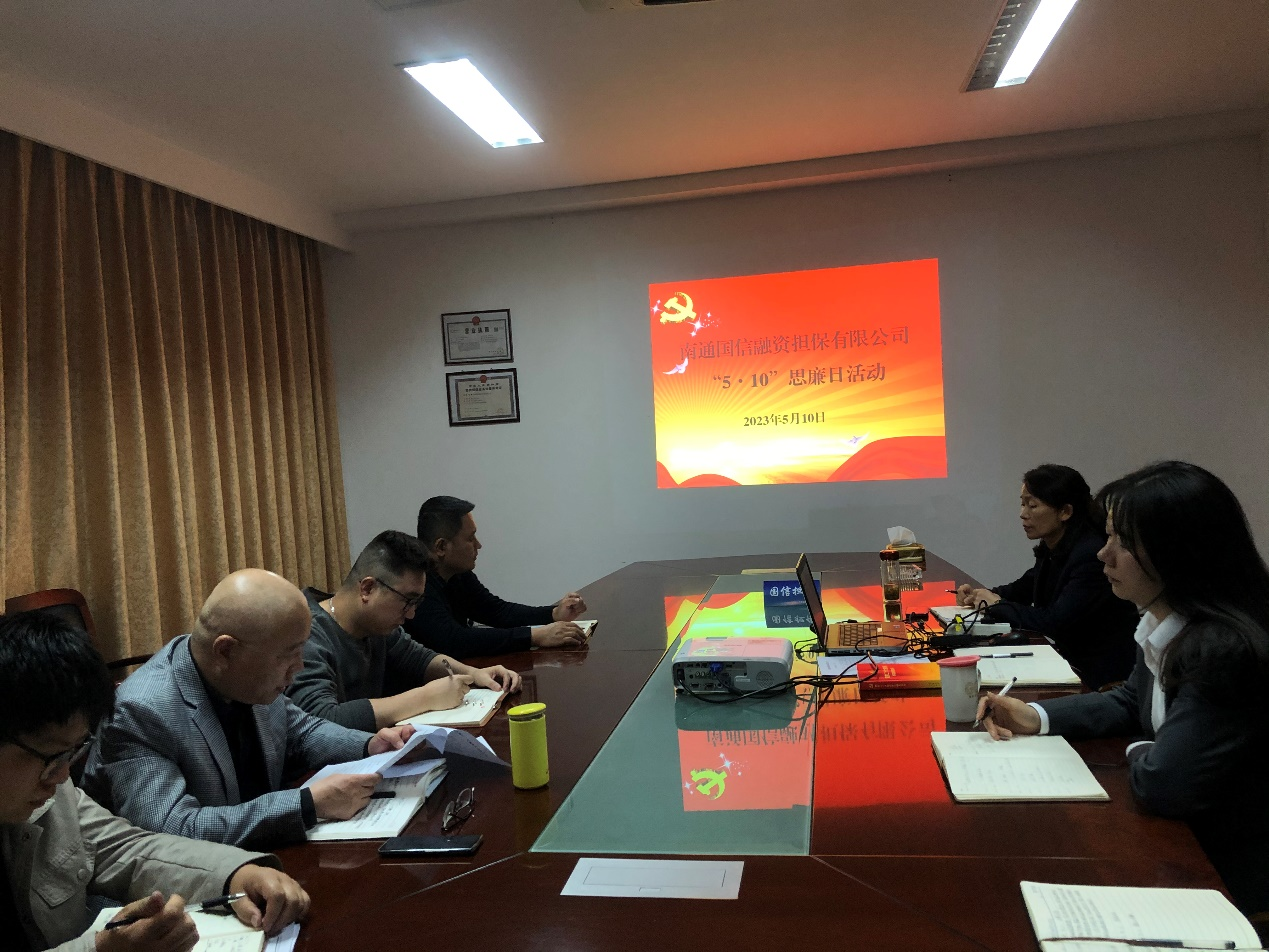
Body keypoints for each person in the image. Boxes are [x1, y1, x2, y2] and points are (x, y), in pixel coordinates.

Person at [979, 461, 1269, 922]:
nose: (1103, 554)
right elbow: (1132, 699)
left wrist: (1140, 747)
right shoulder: (1163, 619)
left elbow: (1164, 783)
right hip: (1180, 844)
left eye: (1122, 541)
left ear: (1178, 551)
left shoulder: (1222, 648)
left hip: (1225, 878)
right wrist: (1037, 716)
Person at [0, 611, 309, 952]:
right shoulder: (146, 703)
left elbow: (125, 848)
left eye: (70, 754)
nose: (62, 776)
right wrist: (100, 950)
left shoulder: (53, 793)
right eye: (50, 758)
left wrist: (235, 875)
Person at [82, 569, 417, 850]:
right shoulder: (141, 710)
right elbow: (172, 831)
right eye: (288, 654)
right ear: (226, 651)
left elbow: (302, 732)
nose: (299, 667)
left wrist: (369, 745)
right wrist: (305, 805)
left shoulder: (244, 676)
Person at [287, 530, 522, 731]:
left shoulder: (376, 625)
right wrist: (426, 697)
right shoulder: (304, 635)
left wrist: (475, 674)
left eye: (416, 603)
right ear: (367, 588)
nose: (410, 615)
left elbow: (418, 658)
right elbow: (322, 718)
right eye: (407, 601)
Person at [956, 463, 1138, 688]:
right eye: (1022, 504)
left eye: (1032, 505)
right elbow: (1024, 586)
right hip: (1071, 663)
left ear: (1065, 512)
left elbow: (1055, 621)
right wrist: (980, 595)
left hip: (1099, 675)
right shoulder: (1055, 545)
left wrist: (996, 604)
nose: (1023, 514)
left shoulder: (1089, 554)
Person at [404, 496, 589, 657]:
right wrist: (536, 636)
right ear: (441, 547)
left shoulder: (457, 574)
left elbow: (496, 611)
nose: (478, 545)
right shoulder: (416, 584)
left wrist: (553, 614)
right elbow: (454, 641)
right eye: (470, 538)